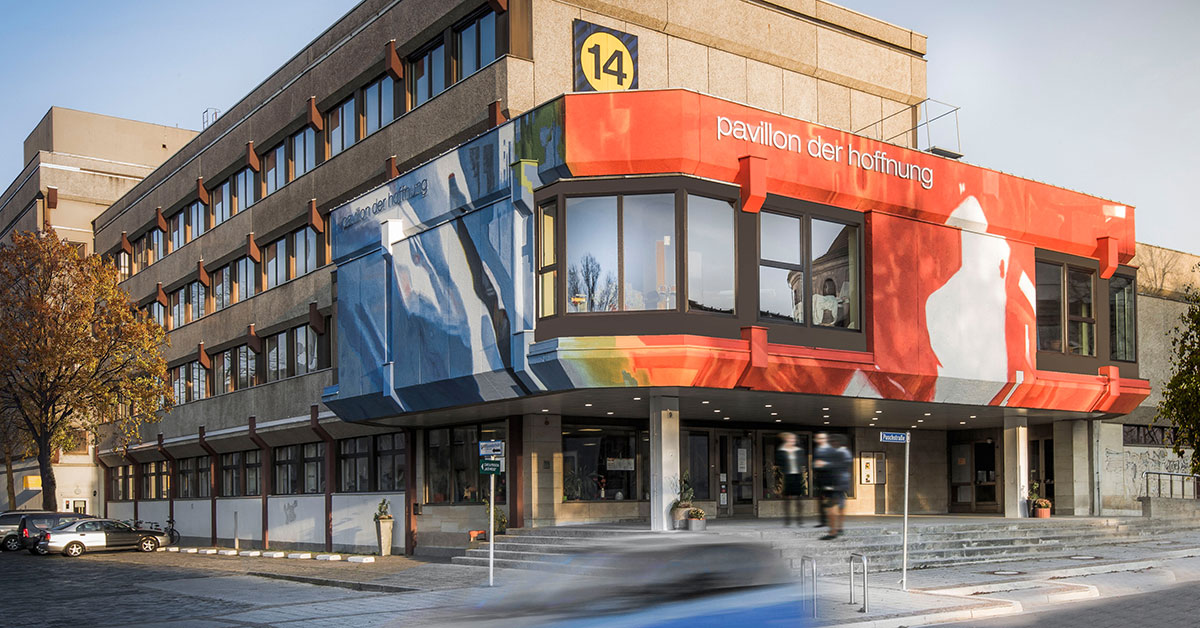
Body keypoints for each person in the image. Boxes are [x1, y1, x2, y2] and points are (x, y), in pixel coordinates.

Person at [813, 432, 852, 540]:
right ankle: (838, 528)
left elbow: (839, 466)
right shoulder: (842, 452)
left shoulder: (841, 453)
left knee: (831, 507)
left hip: (836, 483)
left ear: (836, 443)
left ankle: (833, 532)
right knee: (840, 505)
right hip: (840, 483)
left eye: (831, 442)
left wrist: (825, 464)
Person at [775, 432, 807, 527]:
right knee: (787, 499)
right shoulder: (781, 450)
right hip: (788, 476)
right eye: (790, 439)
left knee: (799, 499)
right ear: (786, 439)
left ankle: (799, 520)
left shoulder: (799, 450)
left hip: (797, 476)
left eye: (794, 439)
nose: (792, 441)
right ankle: (787, 520)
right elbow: (779, 462)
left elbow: (802, 462)